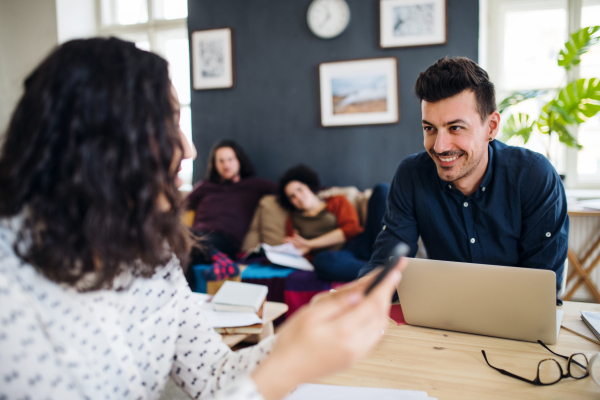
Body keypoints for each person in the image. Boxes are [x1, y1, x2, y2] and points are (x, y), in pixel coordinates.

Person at [0, 37, 406, 400]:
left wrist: (299, 334)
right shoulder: (10, 294)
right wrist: (288, 366)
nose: (190, 149)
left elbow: (215, 375)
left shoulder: (150, 254)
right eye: (170, 123)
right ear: (102, 143)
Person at [359, 56, 569, 293]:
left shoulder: (534, 176)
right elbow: (386, 265)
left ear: (491, 127)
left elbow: (542, 288)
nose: (439, 147)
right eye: (430, 128)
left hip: (513, 322)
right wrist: (358, 297)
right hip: (443, 319)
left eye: (455, 128)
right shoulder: (411, 175)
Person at [278, 165, 389, 282]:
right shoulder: (293, 219)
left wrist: (310, 244)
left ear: (308, 186)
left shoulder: (337, 201)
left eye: (299, 189)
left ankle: (387, 257)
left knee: (381, 189)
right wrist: (299, 250)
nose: (299, 197)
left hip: (361, 243)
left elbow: (351, 229)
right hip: (339, 256)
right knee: (321, 261)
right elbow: (296, 248)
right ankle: (383, 273)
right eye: (292, 196)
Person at [185, 140, 276, 280]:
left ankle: (221, 259)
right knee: (182, 251)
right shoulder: (205, 186)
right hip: (197, 237)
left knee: (189, 240)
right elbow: (178, 206)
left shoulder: (253, 184)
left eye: (230, 160)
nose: (226, 165)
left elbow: (285, 189)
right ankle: (220, 263)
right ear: (215, 165)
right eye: (221, 161)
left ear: (239, 161)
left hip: (225, 241)